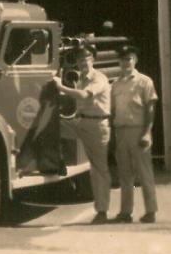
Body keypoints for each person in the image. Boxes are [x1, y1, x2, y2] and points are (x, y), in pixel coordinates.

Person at [54, 44, 112, 224]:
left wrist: (61, 87)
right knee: (52, 127)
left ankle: (102, 211)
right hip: (81, 121)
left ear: (92, 60)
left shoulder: (98, 78)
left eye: (86, 58)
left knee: (98, 170)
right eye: (79, 59)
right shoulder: (81, 78)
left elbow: (85, 96)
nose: (82, 62)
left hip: (96, 125)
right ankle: (56, 160)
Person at [110, 44, 158, 223]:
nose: (125, 62)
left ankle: (151, 211)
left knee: (144, 173)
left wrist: (147, 132)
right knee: (124, 174)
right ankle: (125, 212)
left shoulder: (145, 81)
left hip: (138, 131)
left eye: (129, 58)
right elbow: (113, 111)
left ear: (135, 60)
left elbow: (151, 108)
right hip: (120, 131)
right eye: (122, 59)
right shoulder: (115, 84)